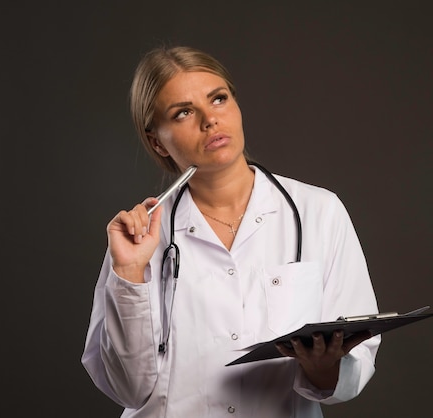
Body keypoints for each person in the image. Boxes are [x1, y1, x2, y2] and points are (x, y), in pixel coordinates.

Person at [82, 45, 381, 418]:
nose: (210, 120)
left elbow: (356, 360)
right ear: (157, 140)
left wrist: (324, 370)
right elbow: (127, 388)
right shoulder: (139, 239)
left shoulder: (318, 211)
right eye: (184, 113)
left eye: (218, 99)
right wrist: (127, 275)